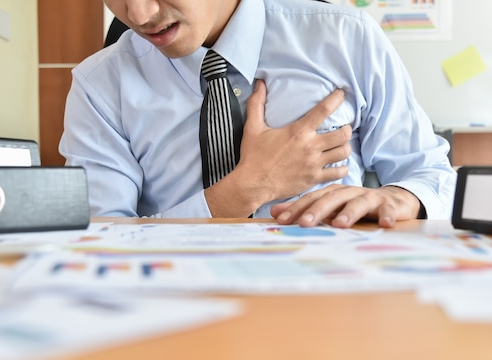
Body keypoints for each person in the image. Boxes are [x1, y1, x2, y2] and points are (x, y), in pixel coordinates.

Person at [59, 0, 457, 229]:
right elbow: (100, 239)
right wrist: (245, 190)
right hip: (172, 310)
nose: (140, 13)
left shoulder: (346, 37)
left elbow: (431, 174)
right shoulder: (99, 85)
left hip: (328, 303)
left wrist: (404, 196)